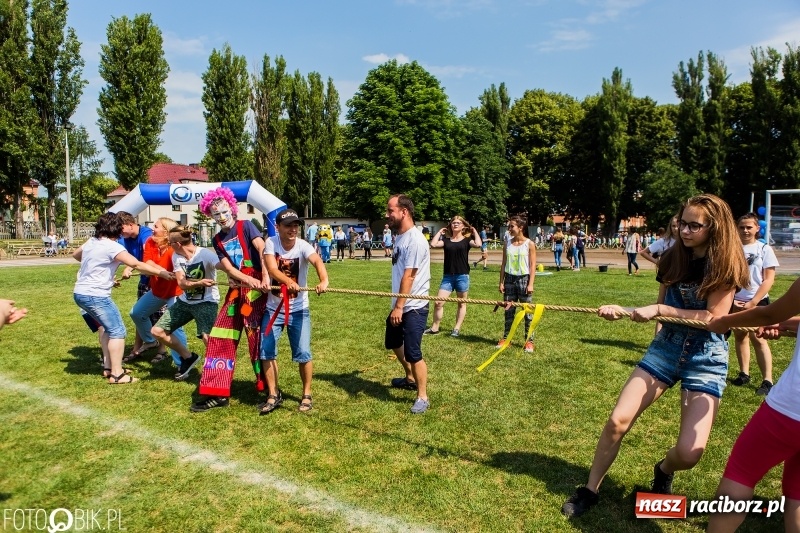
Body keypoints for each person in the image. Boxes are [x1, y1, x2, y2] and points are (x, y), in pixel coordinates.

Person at [561, 194, 749, 518]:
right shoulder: (673, 256)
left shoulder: (726, 265)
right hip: (666, 347)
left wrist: (659, 309)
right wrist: (625, 312)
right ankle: (590, 490)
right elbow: (657, 307)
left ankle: (663, 470)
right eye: (683, 223)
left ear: (714, 228)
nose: (685, 231)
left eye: (694, 226)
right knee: (617, 421)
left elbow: (713, 318)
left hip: (706, 356)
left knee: (690, 453)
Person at [706, 284, 800, 533]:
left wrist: (724, 321)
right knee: (798, 491)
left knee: (741, 474)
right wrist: (791, 323)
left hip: (789, 411)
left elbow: (768, 314)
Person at [191, 187, 269, 413]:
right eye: (216, 214)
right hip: (238, 290)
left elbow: (262, 249)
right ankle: (217, 391)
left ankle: (268, 390)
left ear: (232, 209)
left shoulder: (246, 226)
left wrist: (263, 276)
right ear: (210, 216)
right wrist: (243, 278)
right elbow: (226, 266)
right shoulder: (217, 239)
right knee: (219, 337)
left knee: (256, 341)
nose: (222, 217)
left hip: (256, 292)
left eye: (225, 212)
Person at [73, 212, 175, 384]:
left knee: (107, 328)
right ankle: (117, 374)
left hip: (80, 293)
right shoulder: (112, 246)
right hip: (96, 295)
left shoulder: (92, 242)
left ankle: (108, 368)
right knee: (117, 331)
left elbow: (77, 255)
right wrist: (162, 273)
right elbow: (136, 264)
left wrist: (101, 272)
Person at [258, 208, 329, 414]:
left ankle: (306, 394)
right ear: (278, 227)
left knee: (304, 353)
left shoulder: (303, 245)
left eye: (295, 225)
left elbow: (317, 260)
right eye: (288, 225)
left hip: (299, 310)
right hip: (273, 309)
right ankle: (273, 394)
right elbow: (272, 269)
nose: (293, 229)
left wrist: (324, 280)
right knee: (266, 351)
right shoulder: (271, 242)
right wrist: (288, 281)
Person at [151, 225, 221, 381]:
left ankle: (214, 372)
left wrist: (235, 275)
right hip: (185, 302)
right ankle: (188, 357)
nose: (169, 246)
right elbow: (182, 284)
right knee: (157, 331)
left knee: (208, 337)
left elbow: (222, 265)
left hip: (207, 302)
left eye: (170, 243)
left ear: (178, 244)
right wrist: (200, 283)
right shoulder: (177, 256)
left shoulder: (205, 254)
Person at [385, 194, 431, 414]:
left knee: (413, 352)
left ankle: (422, 396)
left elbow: (409, 276)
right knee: (393, 341)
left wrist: (399, 307)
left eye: (390, 210)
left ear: (404, 212)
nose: (387, 215)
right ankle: (410, 377)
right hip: (401, 303)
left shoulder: (414, 239)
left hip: (414, 306)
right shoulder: (401, 237)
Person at [126, 217, 188, 366]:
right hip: (157, 291)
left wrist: (168, 273)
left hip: (176, 292)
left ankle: (183, 362)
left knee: (175, 327)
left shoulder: (176, 247)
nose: (153, 228)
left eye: (156, 226)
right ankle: (151, 341)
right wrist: (162, 272)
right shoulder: (150, 242)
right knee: (136, 313)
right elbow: (148, 262)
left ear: (166, 233)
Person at [730, 212, 779, 396]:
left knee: (759, 339)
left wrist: (753, 302)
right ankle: (744, 373)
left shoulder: (764, 249)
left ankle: (767, 380)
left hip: (757, 301)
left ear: (757, 228)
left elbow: (768, 280)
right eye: (742, 227)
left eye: (749, 227)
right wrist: (732, 299)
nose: (745, 230)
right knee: (740, 337)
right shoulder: (732, 249)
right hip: (735, 301)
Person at [425, 216, 482, 337]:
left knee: (461, 303)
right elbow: (433, 244)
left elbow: (478, 244)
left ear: (463, 226)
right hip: (448, 277)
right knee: (438, 303)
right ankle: (435, 328)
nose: (455, 224)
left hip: (462, 276)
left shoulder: (467, 241)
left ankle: (456, 329)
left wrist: (474, 231)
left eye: (458, 223)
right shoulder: (446, 240)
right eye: (453, 223)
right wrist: (440, 232)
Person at [117, 211, 156, 359]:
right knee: (140, 315)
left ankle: (162, 351)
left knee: (160, 317)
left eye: (121, 228)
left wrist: (130, 267)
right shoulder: (125, 238)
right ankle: (137, 349)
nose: (120, 232)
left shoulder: (146, 234)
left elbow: (148, 256)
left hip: (156, 281)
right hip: (144, 281)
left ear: (130, 224)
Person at [497, 215, 536, 353]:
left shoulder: (529, 244)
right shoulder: (507, 243)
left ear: (521, 228)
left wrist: (530, 284)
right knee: (508, 311)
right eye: (509, 226)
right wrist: (501, 282)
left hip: (524, 280)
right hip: (509, 280)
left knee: (527, 312)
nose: (509, 229)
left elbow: (532, 266)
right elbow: (503, 263)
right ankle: (506, 339)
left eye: (512, 226)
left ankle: (529, 341)